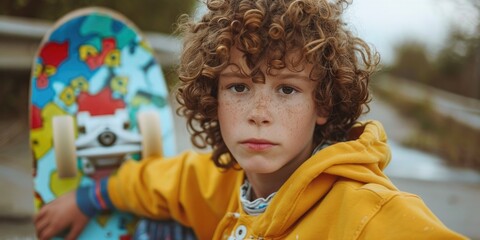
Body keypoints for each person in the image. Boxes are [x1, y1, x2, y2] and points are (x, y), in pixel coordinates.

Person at [34, 0, 467, 239]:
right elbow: (163, 180)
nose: (259, 114)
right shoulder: (223, 181)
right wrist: (89, 198)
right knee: (162, 225)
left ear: (323, 104)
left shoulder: (364, 214)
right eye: (239, 87)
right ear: (213, 97)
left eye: (287, 89)